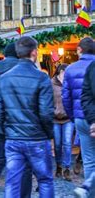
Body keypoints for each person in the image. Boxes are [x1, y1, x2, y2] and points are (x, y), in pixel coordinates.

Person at [0, 36, 54, 198]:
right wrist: (49, 134)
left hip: (14, 137)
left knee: (13, 181)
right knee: (45, 180)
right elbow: (46, 113)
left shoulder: (4, 78)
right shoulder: (42, 77)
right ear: (34, 52)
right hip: (37, 138)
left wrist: (7, 131)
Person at [0, 42, 33, 196]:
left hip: (0, 123)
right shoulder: (26, 70)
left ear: (5, 55)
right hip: (22, 124)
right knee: (25, 163)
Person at [62, 38, 95, 197]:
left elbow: (66, 97)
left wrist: (73, 116)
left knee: (88, 158)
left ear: (80, 50)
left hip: (81, 117)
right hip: (89, 115)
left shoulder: (70, 69)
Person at [76, 60, 95, 197]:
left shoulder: (92, 66)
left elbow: (85, 96)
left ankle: (88, 187)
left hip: (83, 118)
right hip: (88, 119)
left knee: (89, 160)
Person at [51, 63, 73, 181]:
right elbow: (48, 100)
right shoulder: (51, 83)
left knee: (67, 143)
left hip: (68, 119)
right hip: (55, 119)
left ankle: (67, 168)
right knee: (58, 144)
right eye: (65, 72)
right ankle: (59, 166)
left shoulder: (69, 83)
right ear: (60, 71)